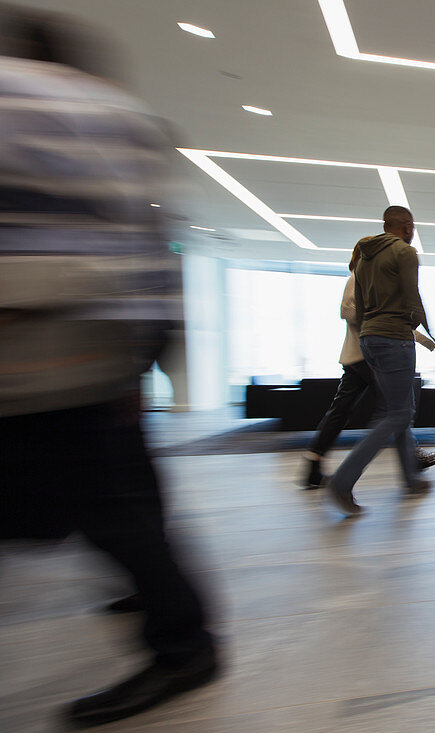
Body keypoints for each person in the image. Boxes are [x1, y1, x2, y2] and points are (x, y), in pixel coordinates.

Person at [0, 6, 216, 726]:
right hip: (100, 337)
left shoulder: (18, 97)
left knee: (108, 503)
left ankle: (182, 638)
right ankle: (175, 626)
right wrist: (152, 343)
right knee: (116, 498)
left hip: (40, 341)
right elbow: (158, 236)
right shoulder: (120, 115)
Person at [302, 246, 435, 490]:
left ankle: (314, 463)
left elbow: (383, 320)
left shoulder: (367, 279)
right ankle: (411, 460)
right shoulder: (359, 277)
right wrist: (375, 325)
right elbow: (349, 311)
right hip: (367, 357)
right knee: (398, 409)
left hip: (360, 355)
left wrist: (424, 340)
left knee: (342, 411)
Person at [326, 206, 432, 516]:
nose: (413, 231)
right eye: (412, 226)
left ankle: (411, 478)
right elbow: (413, 299)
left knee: (393, 409)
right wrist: (423, 328)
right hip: (395, 338)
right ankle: (342, 483)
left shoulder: (364, 255)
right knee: (399, 414)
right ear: (406, 225)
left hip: (369, 339)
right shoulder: (404, 252)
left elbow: (357, 309)